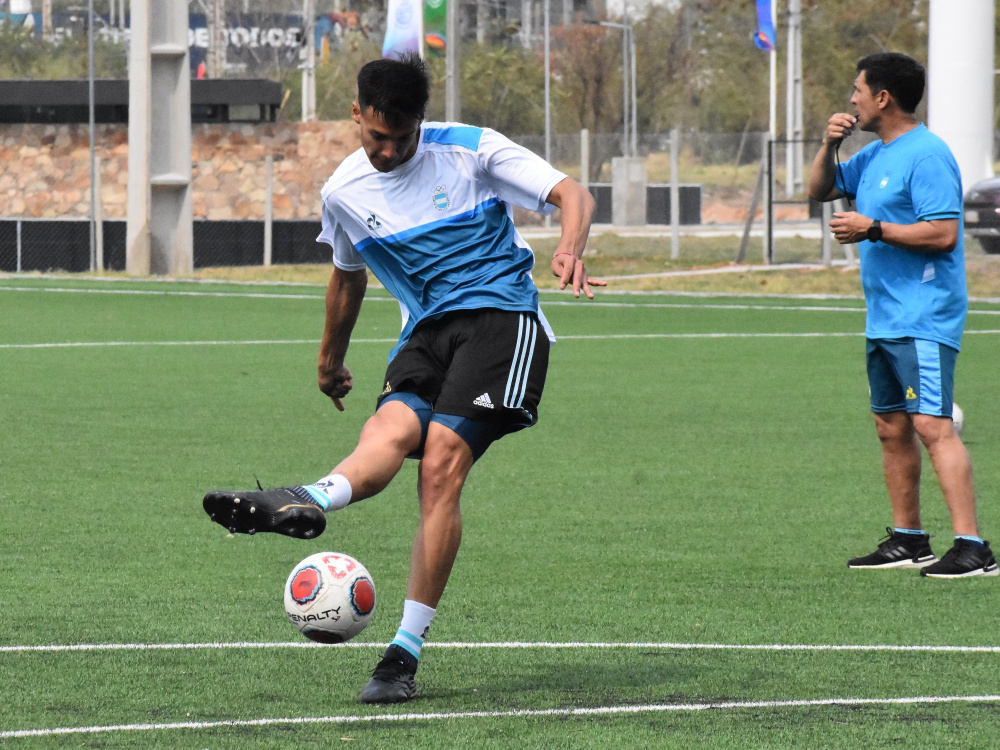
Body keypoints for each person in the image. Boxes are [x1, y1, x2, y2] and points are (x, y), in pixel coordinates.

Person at [203, 53, 604, 703]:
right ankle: (304, 497)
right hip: (426, 332)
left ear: (420, 120)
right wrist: (328, 359)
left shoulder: (470, 151)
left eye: (402, 137)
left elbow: (572, 194)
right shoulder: (343, 193)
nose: (388, 151)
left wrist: (569, 245)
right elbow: (346, 274)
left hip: (503, 320)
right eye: (376, 137)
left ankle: (401, 656)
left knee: (440, 459)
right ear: (356, 115)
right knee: (385, 431)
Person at [808, 52, 996, 578]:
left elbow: (944, 234)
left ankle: (974, 547)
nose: (852, 98)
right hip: (885, 317)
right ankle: (909, 538)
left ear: (883, 97)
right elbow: (818, 190)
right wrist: (828, 145)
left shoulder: (927, 154)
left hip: (924, 317)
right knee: (891, 426)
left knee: (933, 426)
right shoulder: (875, 155)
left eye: (858, 89)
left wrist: (873, 229)